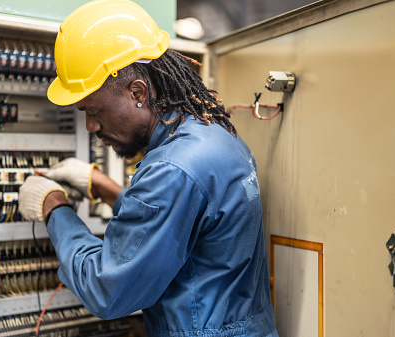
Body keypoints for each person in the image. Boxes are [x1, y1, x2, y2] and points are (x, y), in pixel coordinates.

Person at [18, 1, 278, 336]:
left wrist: (55, 208)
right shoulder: (215, 136)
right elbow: (182, 226)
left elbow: (108, 289)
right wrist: (102, 186)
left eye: (95, 110)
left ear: (137, 91)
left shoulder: (172, 168)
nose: (90, 126)